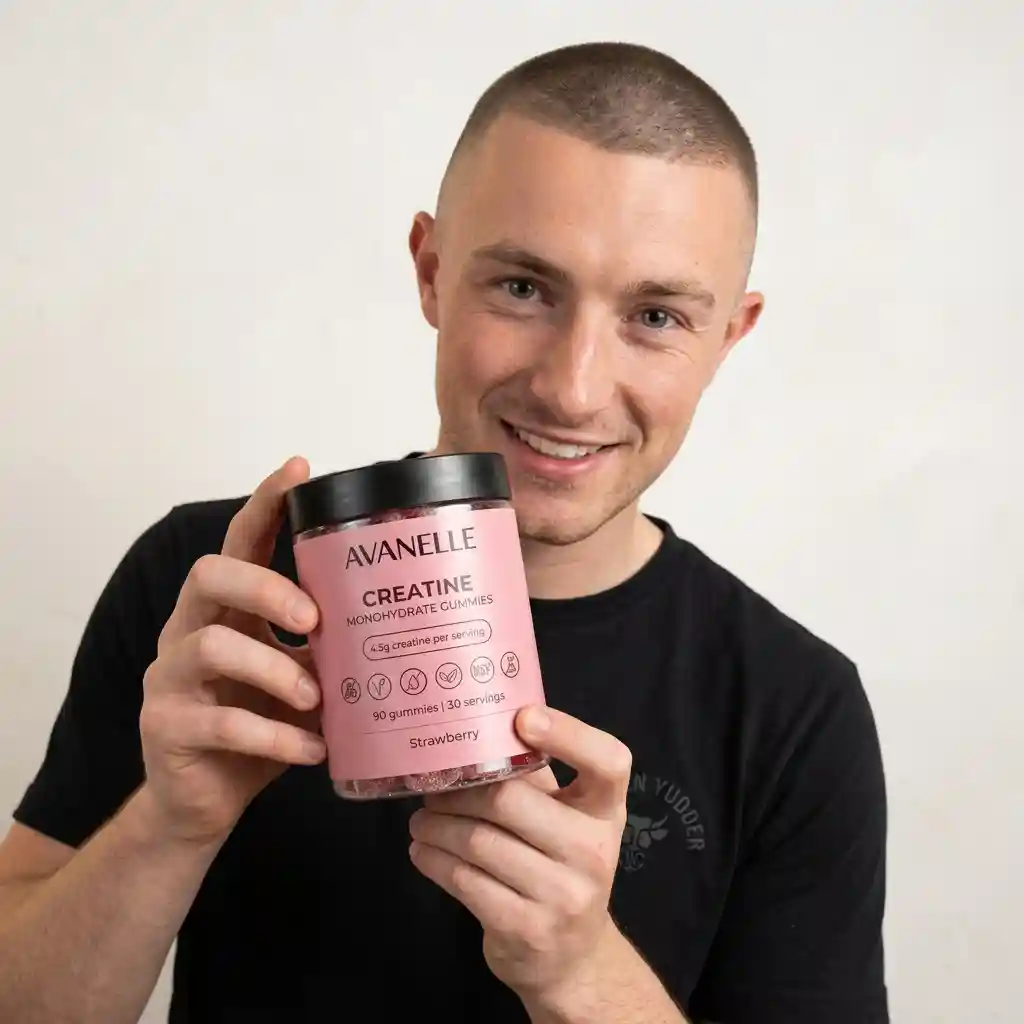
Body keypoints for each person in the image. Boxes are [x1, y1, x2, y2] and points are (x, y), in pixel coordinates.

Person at [0, 41, 888, 1024]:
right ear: (430, 271)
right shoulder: (221, 589)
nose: (573, 385)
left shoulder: (794, 707)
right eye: (522, 287)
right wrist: (166, 826)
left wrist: (582, 972)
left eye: (654, 314)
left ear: (727, 336)